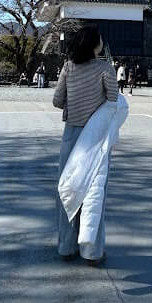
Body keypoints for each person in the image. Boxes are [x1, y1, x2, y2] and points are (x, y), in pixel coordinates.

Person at [52, 24, 118, 265]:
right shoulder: (105, 68)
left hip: (71, 135)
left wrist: (74, 105)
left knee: (68, 187)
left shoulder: (68, 67)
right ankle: (92, 251)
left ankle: (65, 246)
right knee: (94, 191)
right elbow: (113, 101)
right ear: (95, 44)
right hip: (96, 137)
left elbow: (57, 100)